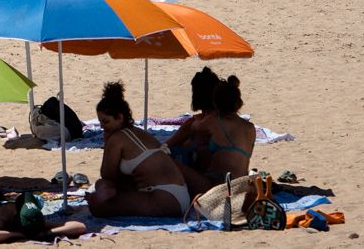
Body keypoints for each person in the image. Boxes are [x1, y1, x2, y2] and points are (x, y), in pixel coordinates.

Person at [86, 81, 188, 218]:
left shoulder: (117, 139)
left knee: (98, 205)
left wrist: (107, 143)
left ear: (120, 118)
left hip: (164, 198)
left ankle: (104, 192)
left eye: (106, 122)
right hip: (180, 194)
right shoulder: (139, 132)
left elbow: (107, 175)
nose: (102, 127)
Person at [177, 75, 255, 196]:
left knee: (174, 164)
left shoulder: (213, 121)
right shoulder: (250, 128)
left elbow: (194, 126)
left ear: (215, 103)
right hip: (241, 187)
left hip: (219, 187)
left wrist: (200, 118)